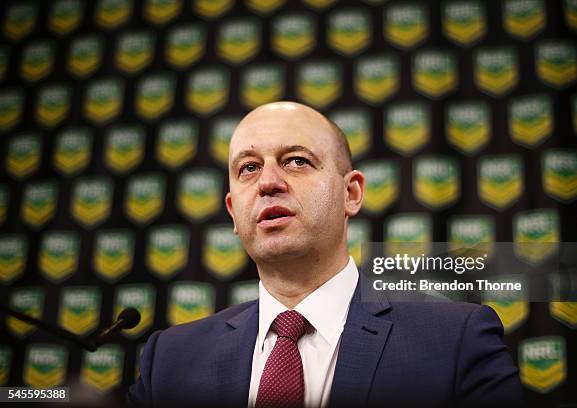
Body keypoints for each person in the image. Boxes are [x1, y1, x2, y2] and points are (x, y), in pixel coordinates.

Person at [127, 102, 522, 407]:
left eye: (296, 161)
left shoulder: (455, 341)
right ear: (233, 211)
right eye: (248, 168)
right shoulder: (170, 361)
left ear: (351, 194)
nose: (267, 182)